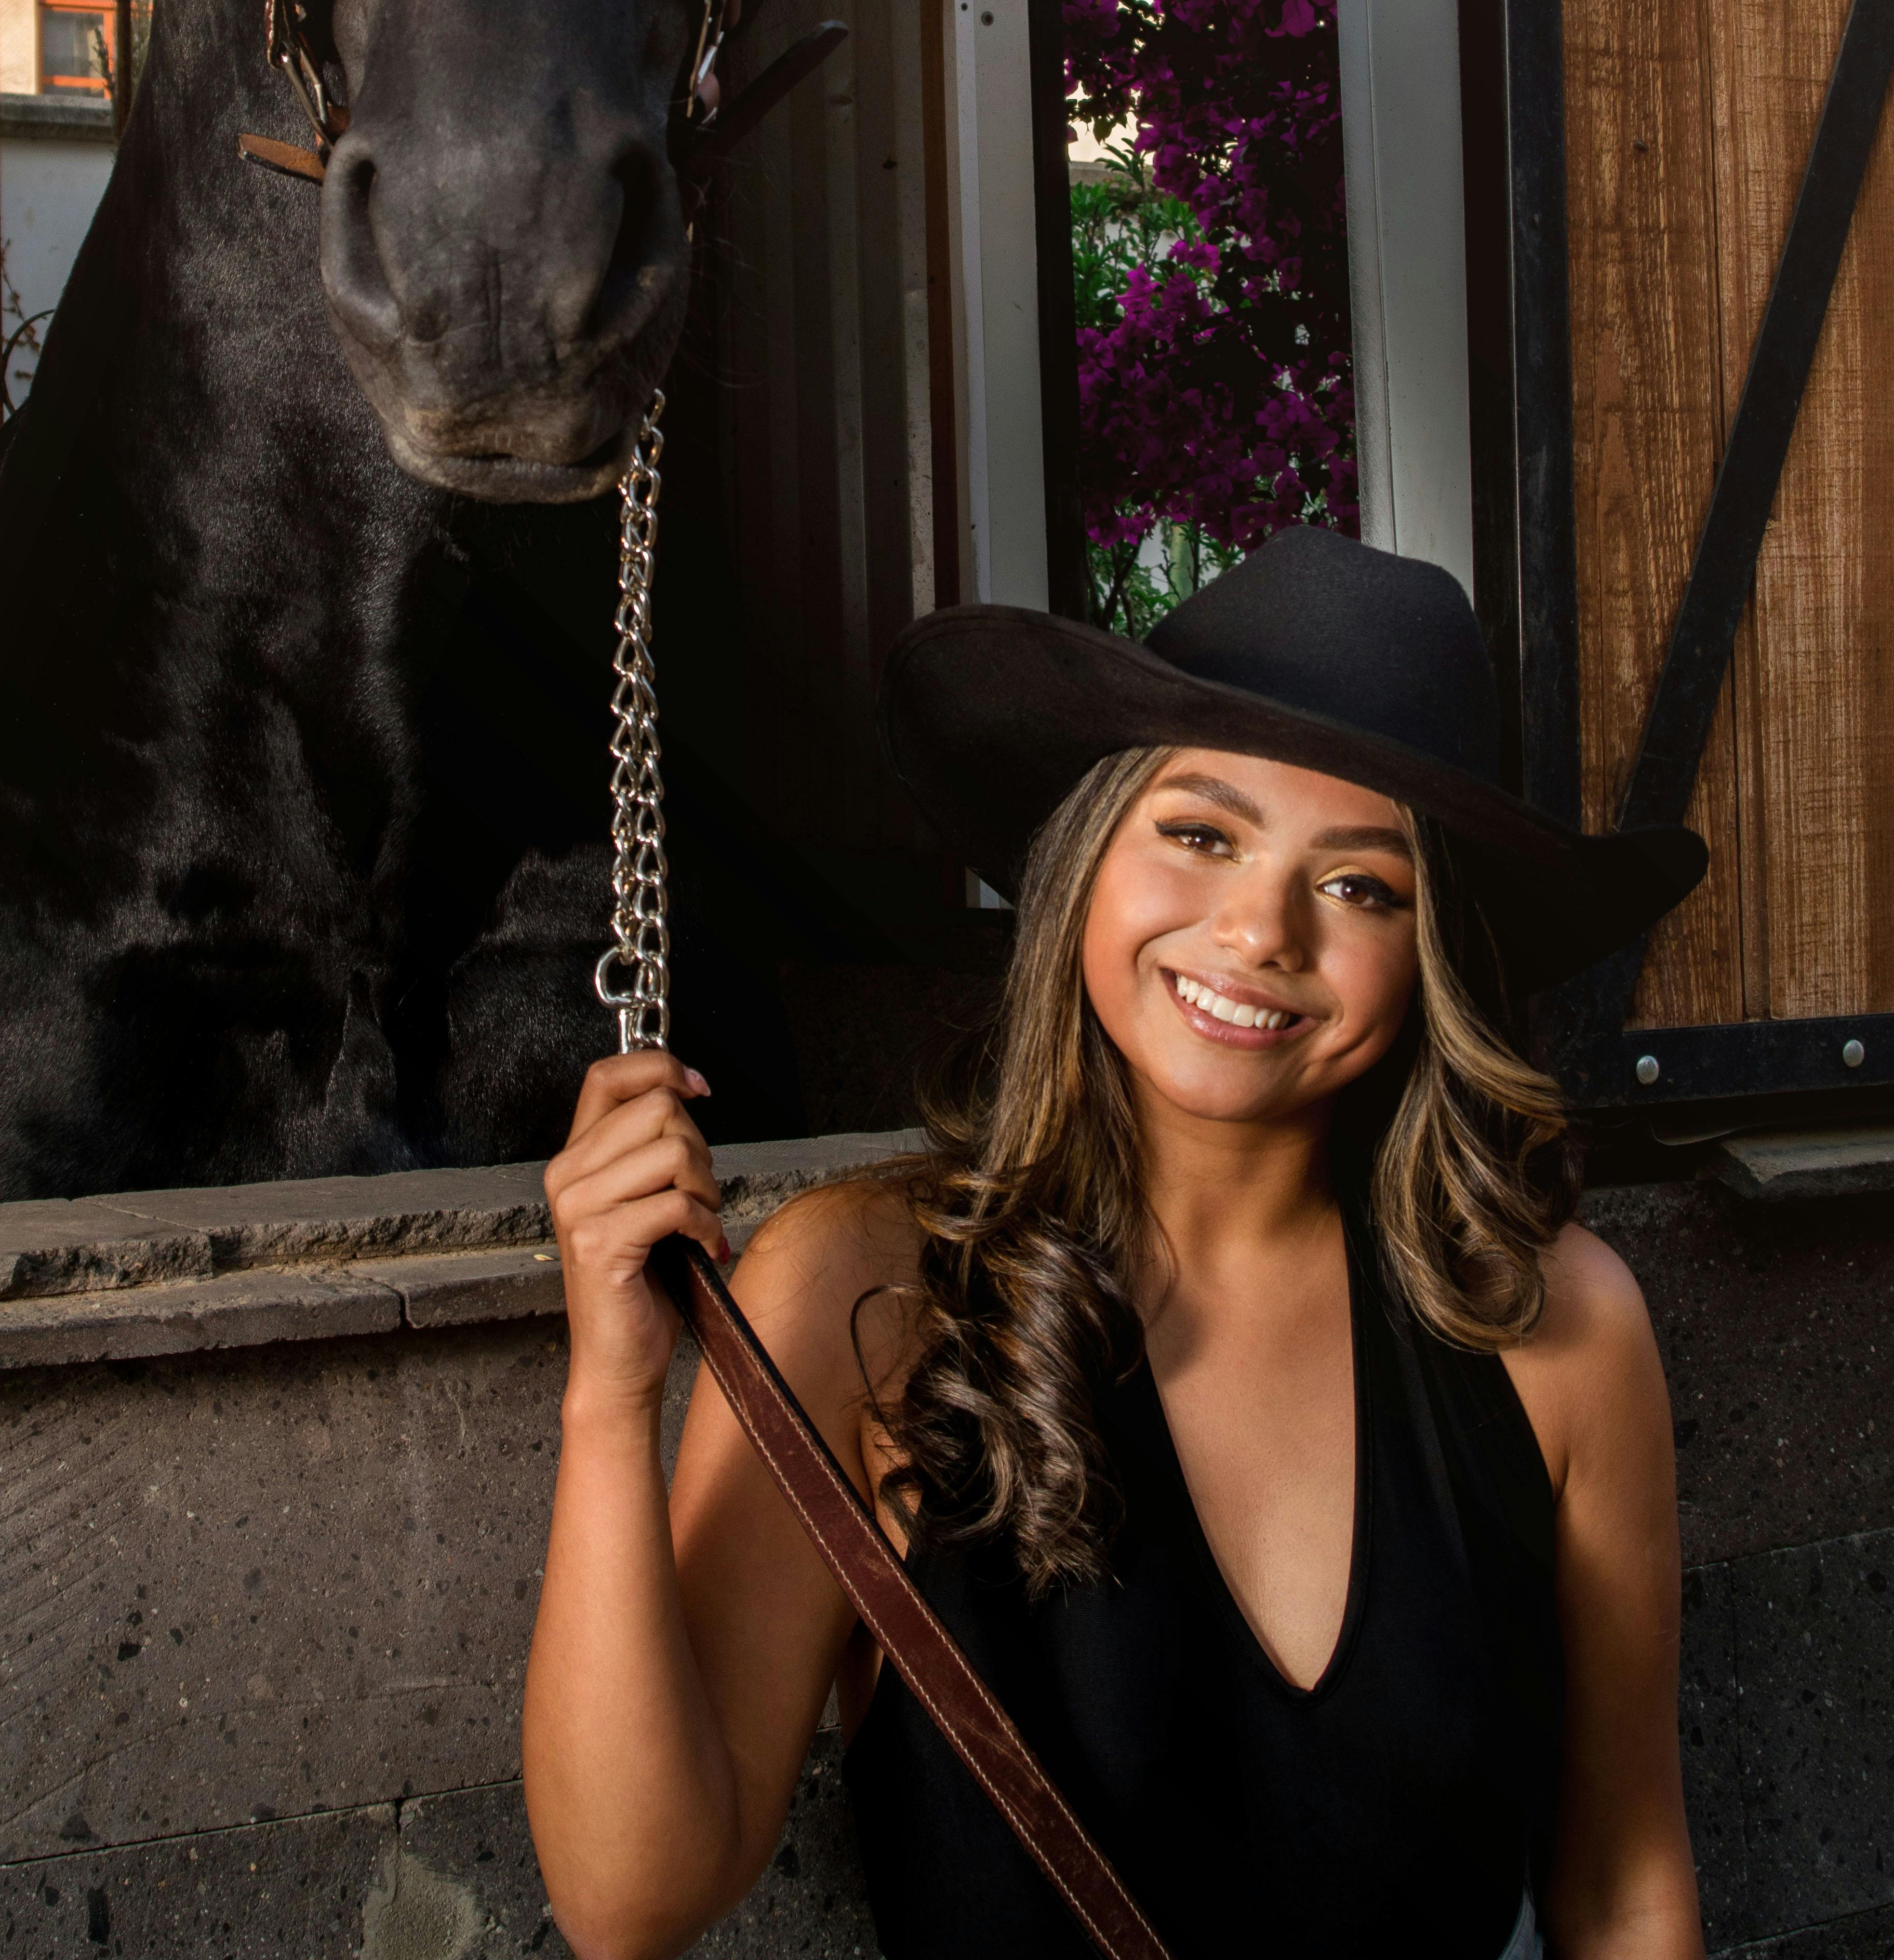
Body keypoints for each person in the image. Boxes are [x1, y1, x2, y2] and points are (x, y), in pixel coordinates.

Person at [523, 526, 1710, 1959]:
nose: (1261, 929)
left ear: (1432, 955)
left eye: (1361, 887)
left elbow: (1625, 1886)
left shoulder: (1557, 1328)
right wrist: (607, 1397)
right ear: (1087, 859)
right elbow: (634, 1900)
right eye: (1200, 834)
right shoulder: (864, 1300)